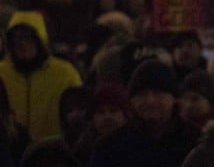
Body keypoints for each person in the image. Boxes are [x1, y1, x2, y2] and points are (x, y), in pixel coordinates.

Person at [90, 59, 200, 167]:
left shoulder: (195, 142)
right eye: (141, 94)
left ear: (174, 98)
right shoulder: (110, 147)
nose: (150, 101)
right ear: (132, 101)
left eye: (158, 93)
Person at [0, 11, 82, 141]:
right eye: (16, 39)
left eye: (28, 38)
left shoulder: (65, 74)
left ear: (40, 41)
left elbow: (78, 113)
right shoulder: (2, 74)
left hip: (54, 152)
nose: (22, 45)